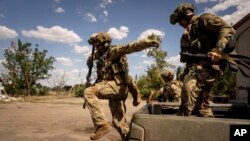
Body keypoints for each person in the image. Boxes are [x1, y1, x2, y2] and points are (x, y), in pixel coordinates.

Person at [84, 32, 159, 140]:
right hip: (115, 90)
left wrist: (147, 43)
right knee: (118, 122)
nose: (96, 48)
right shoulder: (100, 55)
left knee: (89, 92)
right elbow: (91, 59)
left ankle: (102, 125)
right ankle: (129, 138)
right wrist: (90, 60)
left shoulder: (114, 51)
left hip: (117, 86)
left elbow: (131, 46)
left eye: (98, 45)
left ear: (104, 44)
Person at [170, 3, 235, 117]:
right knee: (200, 104)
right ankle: (199, 119)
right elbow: (190, 57)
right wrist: (185, 72)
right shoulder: (187, 36)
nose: (180, 24)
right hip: (200, 65)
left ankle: (187, 118)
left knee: (189, 88)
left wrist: (217, 50)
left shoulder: (204, 20)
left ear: (186, 16)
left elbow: (225, 28)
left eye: (180, 21)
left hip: (213, 64)